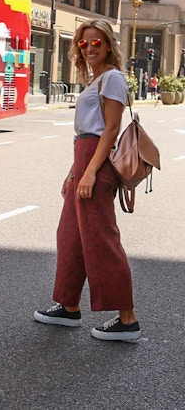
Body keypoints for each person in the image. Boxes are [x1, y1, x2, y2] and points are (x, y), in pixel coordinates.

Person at [34, 19, 141, 342]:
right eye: (83, 43)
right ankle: (68, 306)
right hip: (84, 157)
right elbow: (86, 133)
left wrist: (91, 171)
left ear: (108, 45)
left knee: (100, 238)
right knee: (70, 235)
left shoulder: (112, 79)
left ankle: (127, 319)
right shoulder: (95, 80)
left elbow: (109, 130)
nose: (90, 48)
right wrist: (74, 171)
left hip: (96, 159)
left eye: (96, 42)